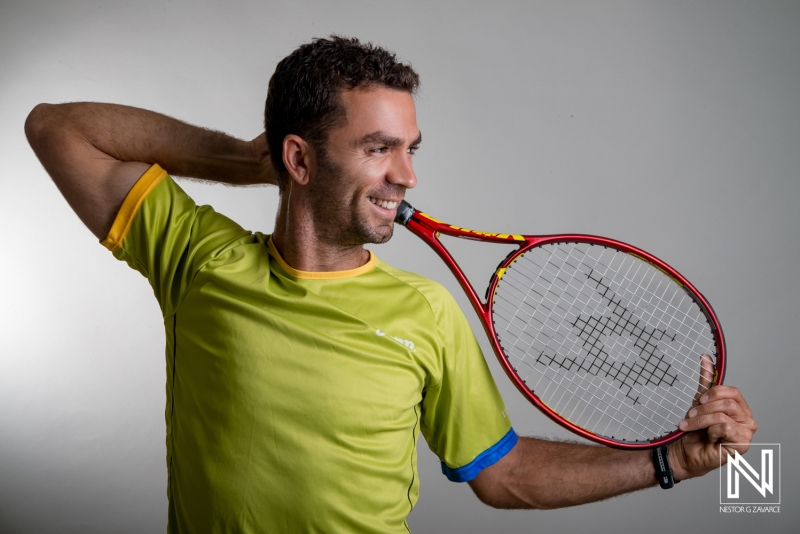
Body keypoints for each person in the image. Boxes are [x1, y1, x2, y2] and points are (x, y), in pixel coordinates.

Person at [25, 36, 757, 533]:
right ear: (301, 161)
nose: (406, 174)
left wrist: (670, 462)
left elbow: (502, 473)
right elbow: (55, 126)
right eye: (378, 148)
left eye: (410, 148)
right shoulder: (197, 259)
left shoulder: (427, 314)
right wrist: (250, 162)